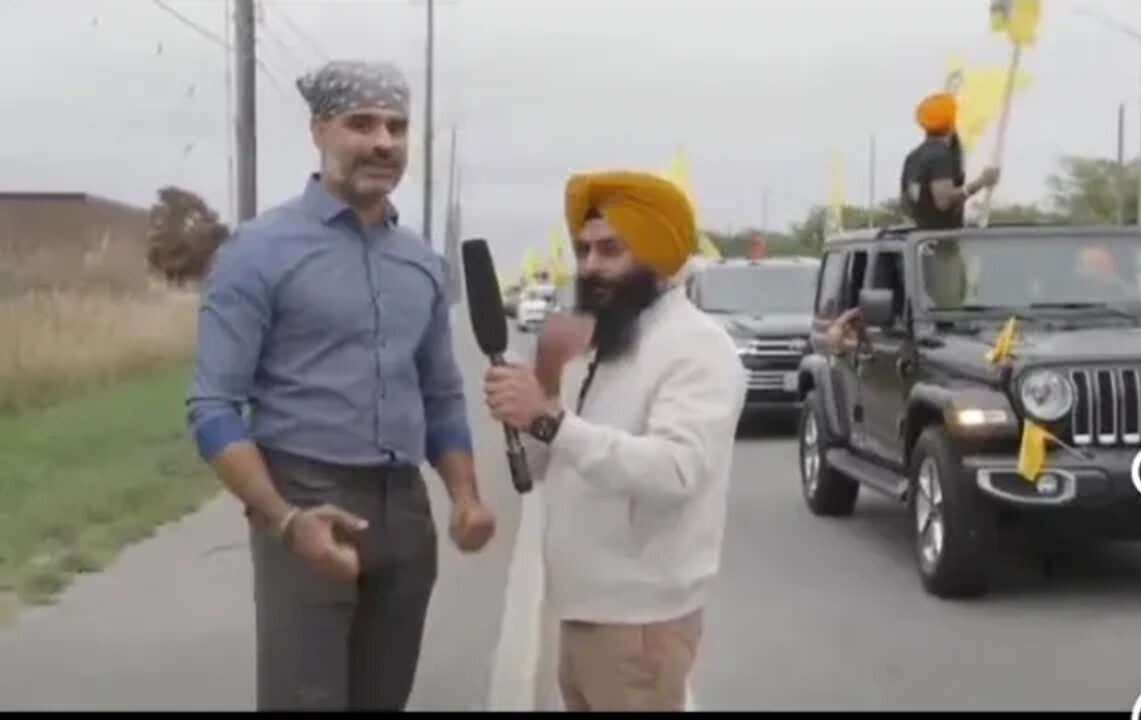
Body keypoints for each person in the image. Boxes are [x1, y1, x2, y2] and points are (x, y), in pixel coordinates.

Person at [186, 59, 496, 711]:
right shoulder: (259, 251)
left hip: (404, 508)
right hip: (306, 493)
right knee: (307, 698)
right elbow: (213, 406)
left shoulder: (421, 263)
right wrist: (285, 518)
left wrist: (464, 496)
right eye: (362, 124)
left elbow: (440, 394)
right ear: (320, 129)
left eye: (397, 126)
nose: (384, 142)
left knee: (383, 698)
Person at [482, 171, 747, 711]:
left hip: (639, 624)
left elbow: (675, 473)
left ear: (657, 253)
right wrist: (533, 402)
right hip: (586, 612)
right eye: (583, 249)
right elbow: (552, 463)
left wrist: (553, 421)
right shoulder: (611, 344)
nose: (590, 266)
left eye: (610, 249)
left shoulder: (697, 348)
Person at [900, 92, 1002, 229]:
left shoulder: (914, 157)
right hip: (942, 241)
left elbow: (908, 201)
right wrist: (982, 181)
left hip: (920, 239)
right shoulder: (940, 155)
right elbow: (943, 201)